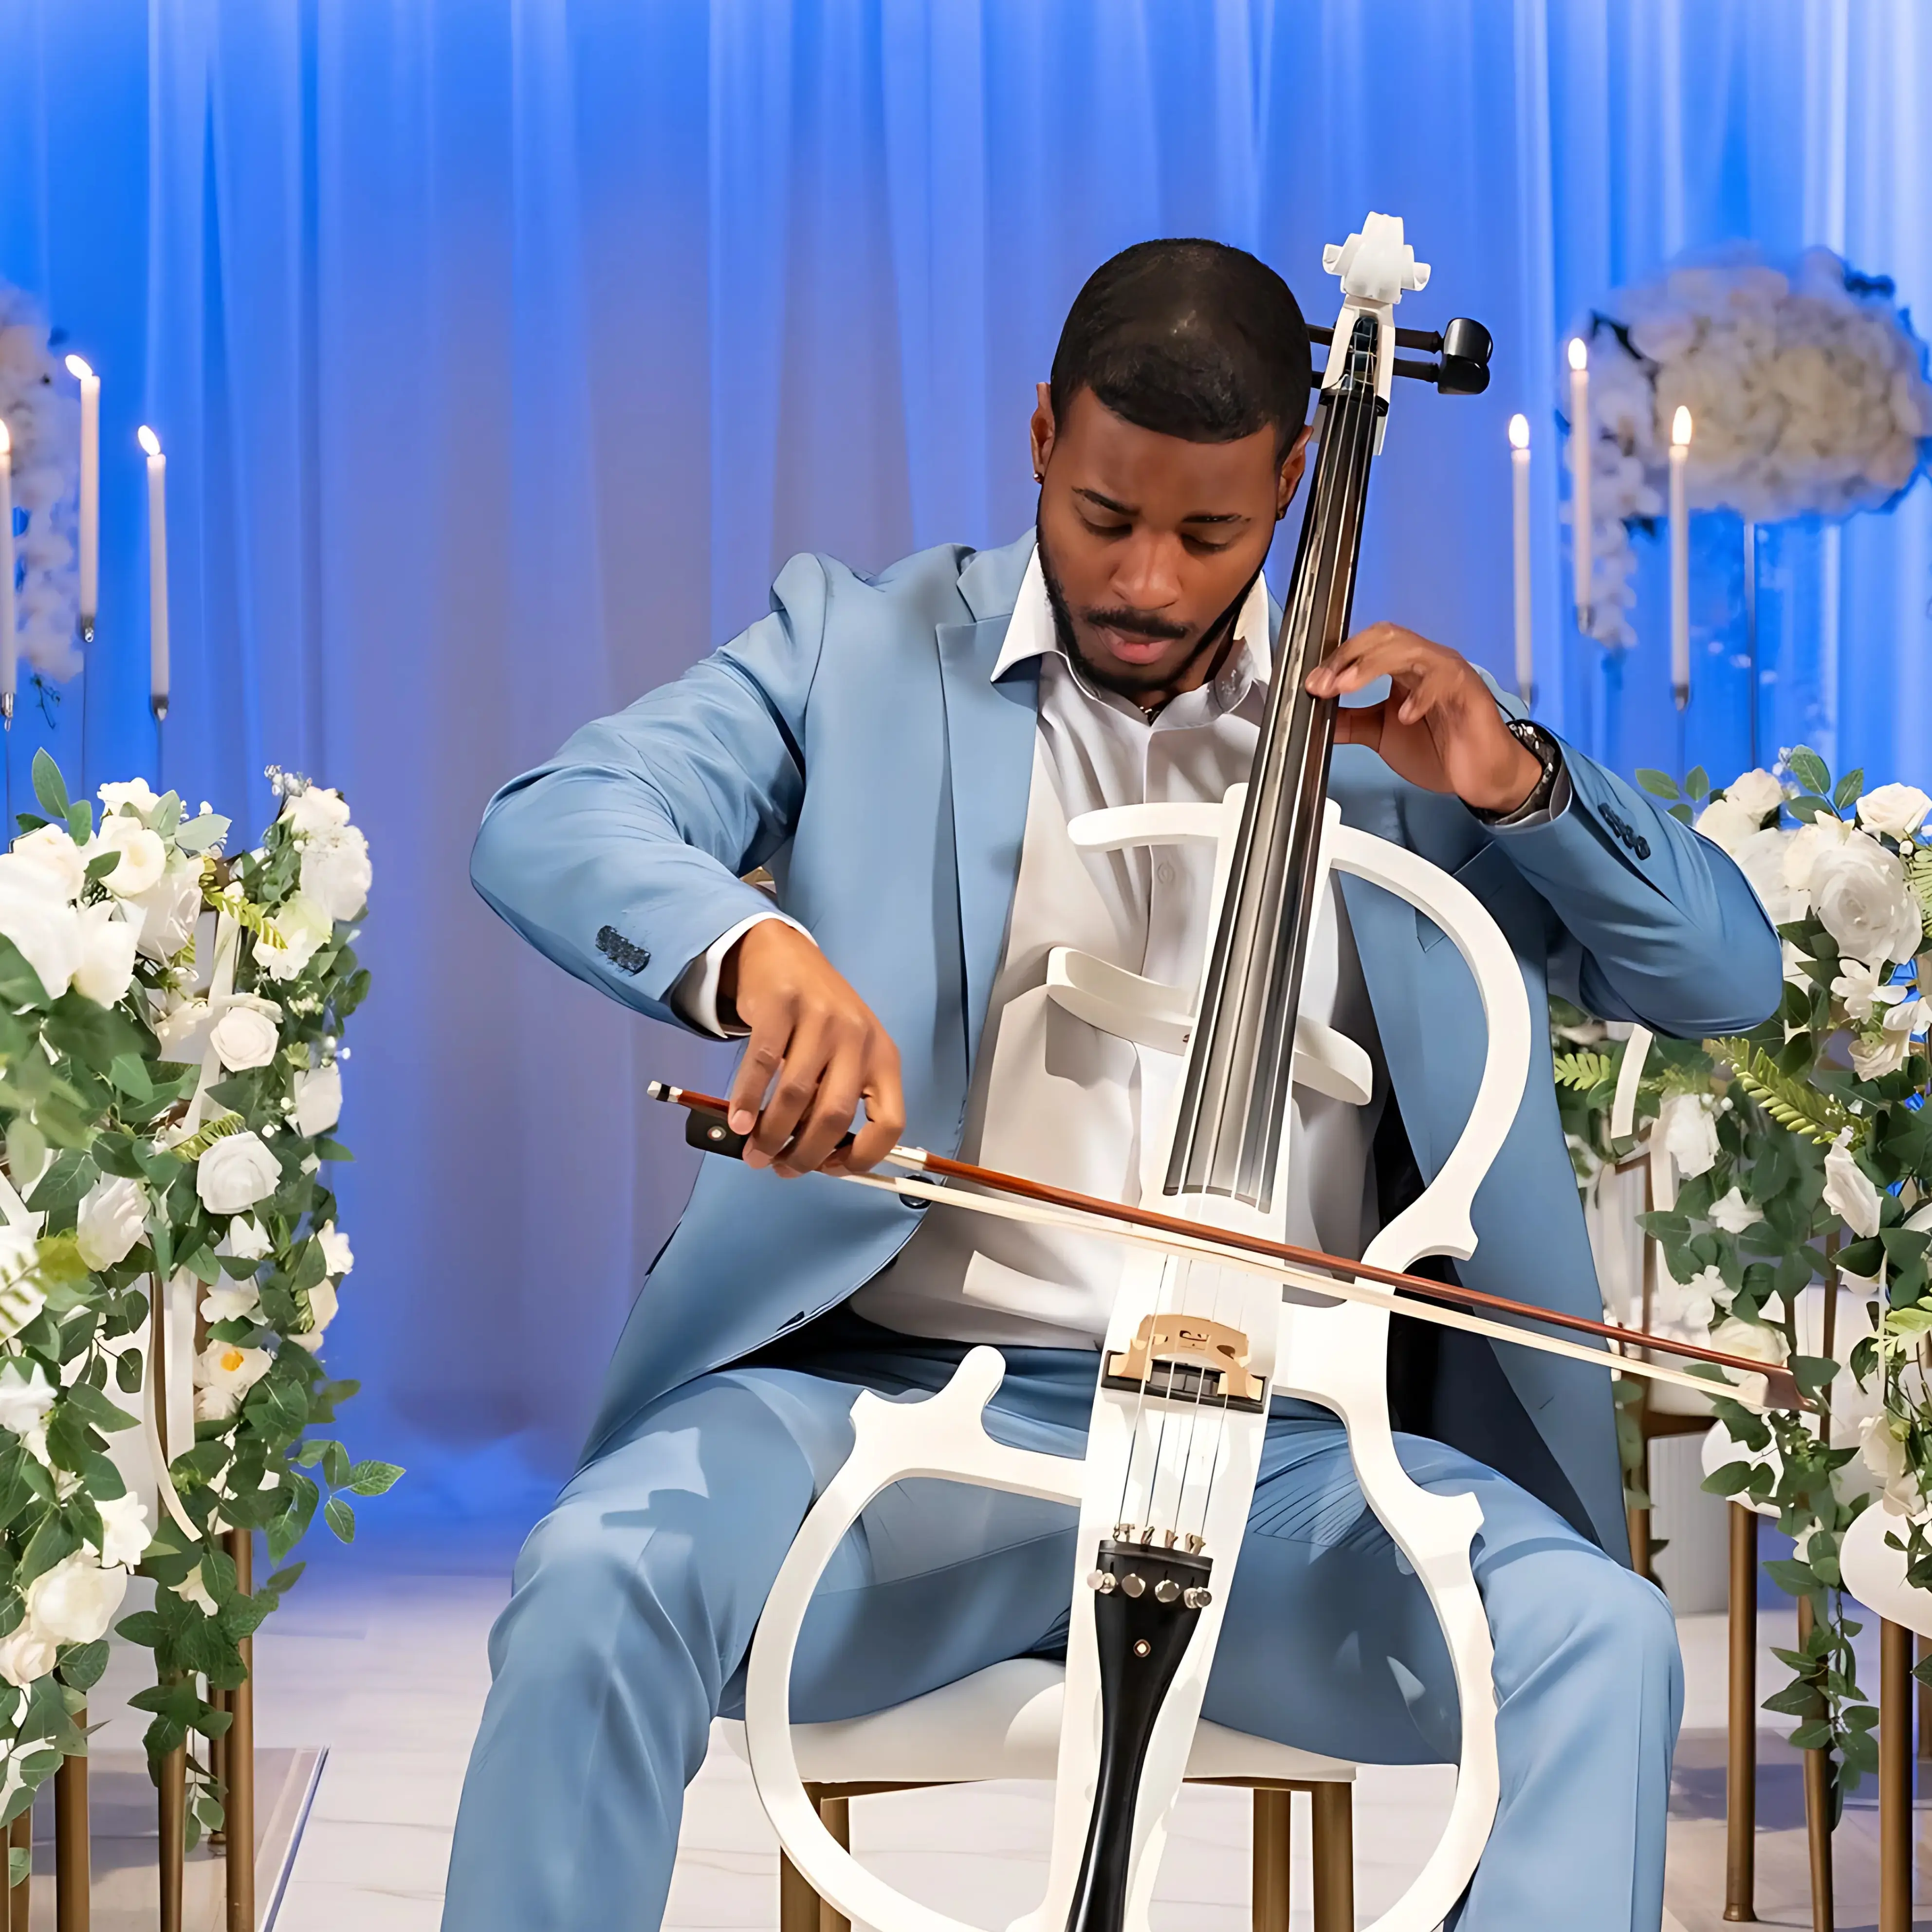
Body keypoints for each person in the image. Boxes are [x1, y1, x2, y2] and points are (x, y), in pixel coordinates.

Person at [445, 239, 1781, 1932]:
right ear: (1037, 439)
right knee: (596, 1578)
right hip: (884, 1430)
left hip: (1296, 1471)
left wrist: (1514, 782)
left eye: (1212, 534)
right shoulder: (859, 649)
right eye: (1103, 515)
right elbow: (552, 817)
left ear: (1297, 484)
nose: (1147, 578)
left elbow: (1724, 976)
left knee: (1602, 1642)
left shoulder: (1396, 743)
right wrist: (751, 958)